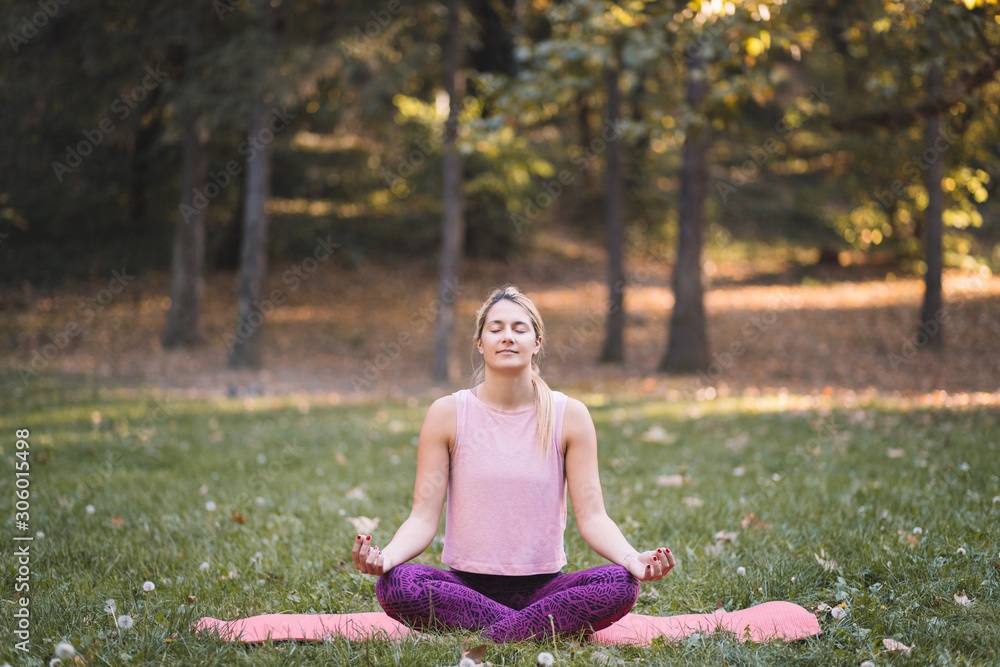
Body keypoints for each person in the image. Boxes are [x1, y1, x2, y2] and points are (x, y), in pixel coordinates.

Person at [351, 284, 675, 642]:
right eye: (496, 328)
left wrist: (631, 558)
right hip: (463, 589)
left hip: (544, 590)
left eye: (519, 329)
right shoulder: (447, 414)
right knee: (397, 584)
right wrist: (388, 558)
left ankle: (494, 633)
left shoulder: (570, 416)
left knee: (620, 584)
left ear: (537, 342)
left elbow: (593, 517)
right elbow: (422, 518)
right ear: (480, 343)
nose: (507, 337)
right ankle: (535, 629)